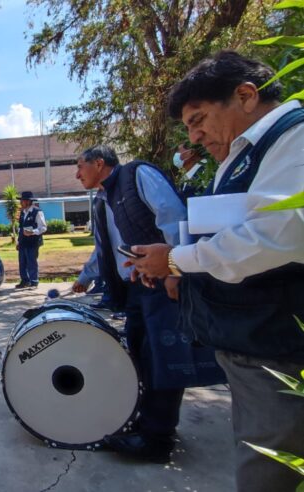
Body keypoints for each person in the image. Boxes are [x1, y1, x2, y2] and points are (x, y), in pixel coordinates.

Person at [128, 51, 304, 492]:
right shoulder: (242, 153)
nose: (194, 135)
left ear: (245, 96)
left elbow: (276, 234)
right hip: (250, 340)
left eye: (199, 119)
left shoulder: (293, 137)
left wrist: (175, 259)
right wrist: (181, 269)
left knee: (269, 468)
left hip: (276, 344)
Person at [75, 144, 187, 463]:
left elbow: (175, 217)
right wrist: (87, 275)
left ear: (99, 163)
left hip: (163, 282)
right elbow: (108, 247)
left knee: (162, 358)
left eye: (80, 165)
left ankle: (158, 439)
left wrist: (176, 269)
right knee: (138, 355)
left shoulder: (138, 175)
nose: (76, 173)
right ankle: (144, 425)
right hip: (139, 287)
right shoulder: (104, 198)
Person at [15, 191, 47, 289]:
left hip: (33, 242)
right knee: (22, 262)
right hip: (23, 241)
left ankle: (34, 281)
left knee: (31, 262)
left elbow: (43, 227)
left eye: (22, 201)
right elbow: (20, 228)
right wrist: (18, 241)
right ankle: (25, 280)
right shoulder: (22, 213)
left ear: (28, 202)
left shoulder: (37, 212)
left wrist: (32, 232)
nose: (21, 203)